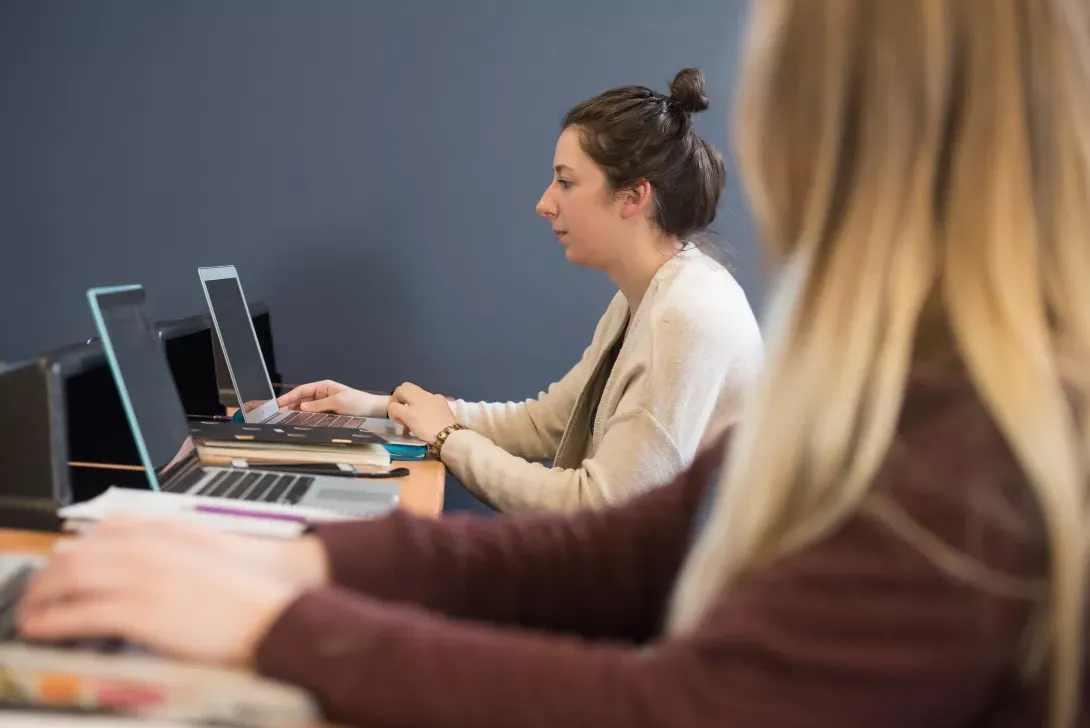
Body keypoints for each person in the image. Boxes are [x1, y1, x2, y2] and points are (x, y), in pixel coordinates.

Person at [16, 1, 1090, 726]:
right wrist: (302, 563)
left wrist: (282, 618)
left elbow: (671, 699)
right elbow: (617, 552)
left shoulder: (964, 448)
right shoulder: (873, 386)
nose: (543, 202)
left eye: (564, 180)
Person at [275, 69, 763, 513]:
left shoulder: (684, 316)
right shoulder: (650, 296)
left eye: (566, 183)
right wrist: (384, 408)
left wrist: (446, 436)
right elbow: (545, 423)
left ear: (634, 196)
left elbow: (596, 513)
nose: (544, 203)